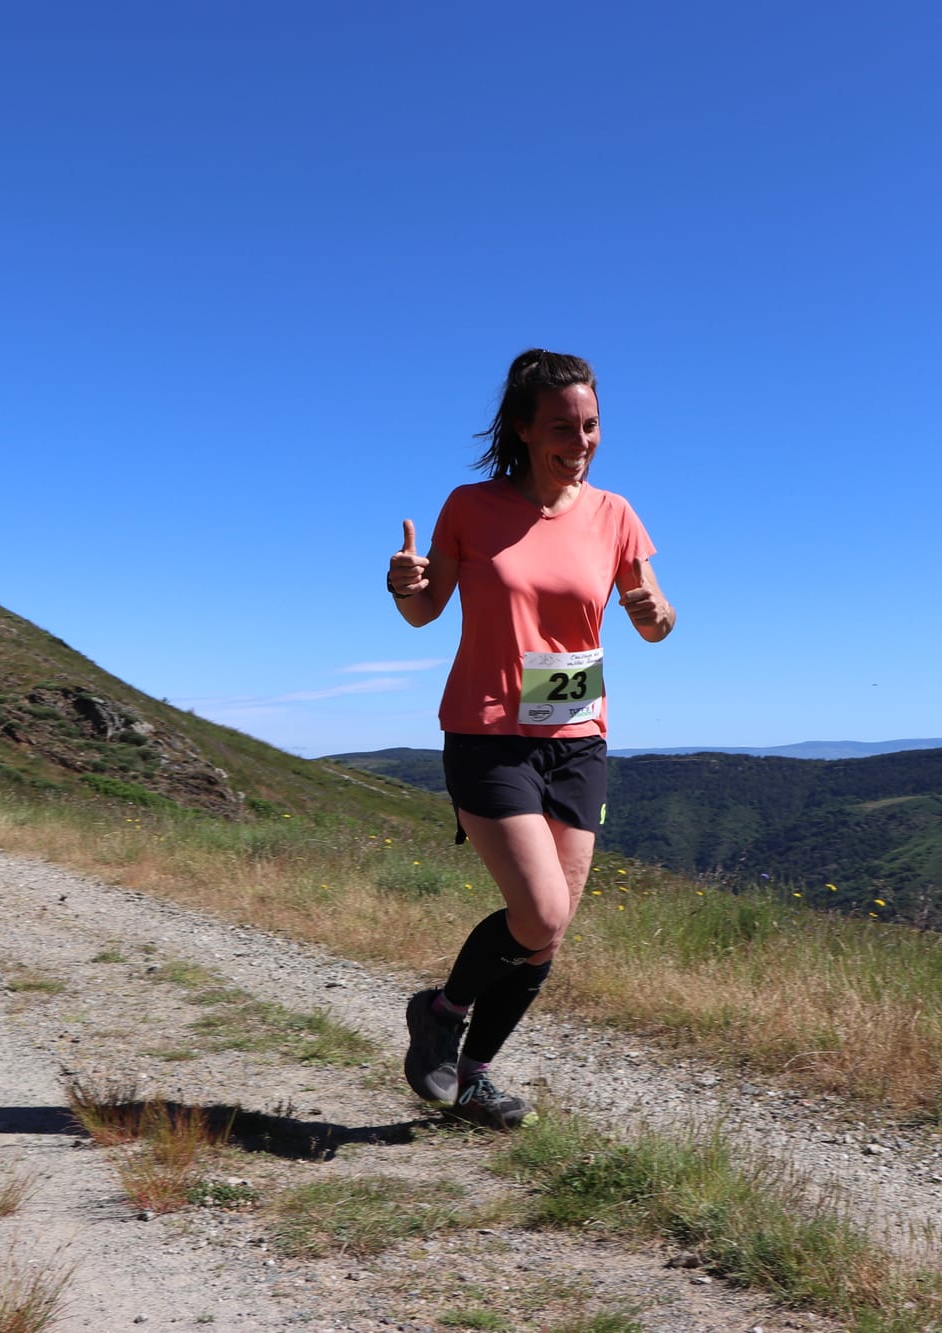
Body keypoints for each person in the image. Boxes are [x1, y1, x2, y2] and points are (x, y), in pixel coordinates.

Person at [386, 349, 676, 1130]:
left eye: (590, 425)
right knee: (540, 911)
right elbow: (426, 610)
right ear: (521, 428)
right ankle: (442, 1012)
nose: (580, 440)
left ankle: (474, 1073)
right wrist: (406, 587)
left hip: (579, 739)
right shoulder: (469, 507)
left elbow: (656, 617)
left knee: (547, 933)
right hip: (488, 733)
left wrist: (654, 616)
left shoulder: (616, 514)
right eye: (561, 426)